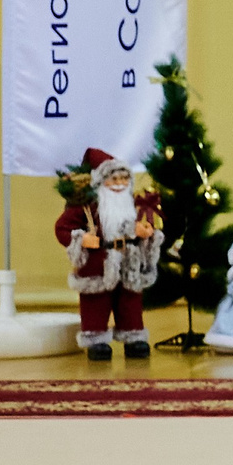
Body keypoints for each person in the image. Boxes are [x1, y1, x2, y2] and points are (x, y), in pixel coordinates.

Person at [59, 149, 162, 361]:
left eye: (124, 178)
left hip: (128, 261)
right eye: (113, 179)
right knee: (96, 302)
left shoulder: (131, 203)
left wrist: (144, 232)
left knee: (130, 301)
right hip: (99, 263)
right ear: (101, 181)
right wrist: (81, 239)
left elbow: (144, 222)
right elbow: (62, 228)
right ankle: (96, 340)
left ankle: (133, 335)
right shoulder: (87, 207)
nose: (119, 184)